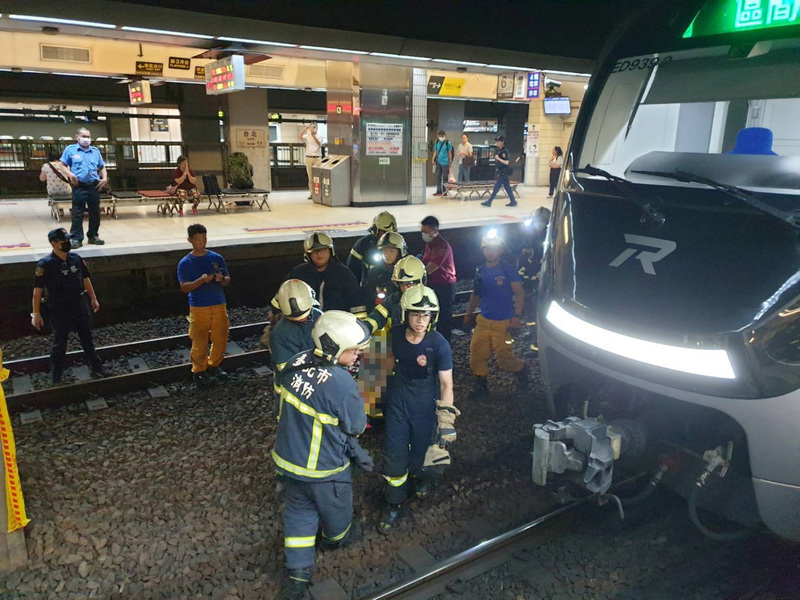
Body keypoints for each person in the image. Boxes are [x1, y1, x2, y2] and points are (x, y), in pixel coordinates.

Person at [272, 311, 371, 599]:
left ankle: (297, 574)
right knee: (338, 514)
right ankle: (334, 540)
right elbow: (355, 426)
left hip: (289, 463)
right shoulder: (342, 384)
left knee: (299, 514)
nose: (356, 356)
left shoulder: (296, 361)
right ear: (334, 349)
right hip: (325, 470)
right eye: (353, 350)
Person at [379, 285, 457, 534]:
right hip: (399, 403)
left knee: (422, 454)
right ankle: (394, 503)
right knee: (395, 456)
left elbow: (446, 384)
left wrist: (446, 422)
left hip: (425, 405)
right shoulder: (395, 336)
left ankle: (422, 478)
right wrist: (370, 400)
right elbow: (383, 367)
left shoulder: (439, 344)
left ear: (432, 317)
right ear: (405, 314)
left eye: (426, 315)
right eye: (415, 315)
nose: (421, 321)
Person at [31, 228, 106, 385]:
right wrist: (36, 313)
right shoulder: (45, 264)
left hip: (79, 304)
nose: (67, 243)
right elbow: (37, 292)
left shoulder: (76, 258)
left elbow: (85, 279)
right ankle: (56, 376)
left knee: (87, 338)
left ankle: (97, 368)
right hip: (59, 308)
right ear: (53, 244)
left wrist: (93, 298)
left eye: (67, 240)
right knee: (60, 342)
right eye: (63, 241)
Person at [464, 231, 529, 399]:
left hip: (503, 323)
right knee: (477, 352)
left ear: (500, 250)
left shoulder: (507, 270)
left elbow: (519, 293)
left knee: (504, 358)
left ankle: (521, 369)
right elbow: (476, 294)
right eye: (486, 248)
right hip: (484, 321)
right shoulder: (481, 270)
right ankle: (480, 384)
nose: (489, 252)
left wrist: (516, 315)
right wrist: (469, 313)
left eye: (493, 248)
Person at [177, 224, 231, 389]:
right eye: (198, 239)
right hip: (198, 306)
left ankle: (214, 365)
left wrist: (221, 279)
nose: (202, 242)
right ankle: (199, 369)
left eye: (204, 238)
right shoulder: (185, 263)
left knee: (220, 336)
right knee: (199, 339)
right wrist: (200, 281)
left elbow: (228, 280)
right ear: (190, 240)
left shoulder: (216, 258)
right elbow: (184, 287)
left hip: (218, 303)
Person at [268, 279, 323, 408]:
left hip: (318, 382)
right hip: (293, 389)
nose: (303, 319)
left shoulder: (318, 316)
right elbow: (288, 368)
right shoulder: (280, 333)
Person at [288, 232, 366, 316]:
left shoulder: (343, 274)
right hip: (306, 325)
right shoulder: (298, 274)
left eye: (323, 250)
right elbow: (283, 298)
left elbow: (357, 305)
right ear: (307, 255)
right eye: (314, 251)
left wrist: (360, 326)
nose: (319, 254)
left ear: (331, 251)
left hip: (337, 324)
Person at [60, 128, 108, 248]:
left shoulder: (95, 151)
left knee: (95, 212)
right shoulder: (70, 150)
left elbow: (102, 167)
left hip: (94, 186)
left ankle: (93, 236)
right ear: (77, 137)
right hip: (79, 186)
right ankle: (76, 238)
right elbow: (62, 166)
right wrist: (70, 174)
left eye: (88, 136)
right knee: (77, 213)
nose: (86, 139)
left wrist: (104, 178)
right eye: (83, 136)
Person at [364, 255, 427, 335]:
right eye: (402, 284)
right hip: (395, 341)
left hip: (419, 343)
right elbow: (377, 316)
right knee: (375, 344)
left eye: (409, 284)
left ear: (420, 282)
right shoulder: (394, 299)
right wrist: (363, 329)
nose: (405, 288)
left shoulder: (428, 302)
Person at [517, 207, 551, 352]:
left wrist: (542, 272)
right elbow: (520, 249)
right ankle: (532, 333)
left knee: (539, 308)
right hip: (527, 276)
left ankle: (538, 340)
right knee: (529, 308)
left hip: (541, 278)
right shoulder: (528, 233)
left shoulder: (551, 235)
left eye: (542, 220)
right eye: (537, 220)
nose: (539, 223)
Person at [420, 216, 457, 342]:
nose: (423, 234)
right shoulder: (429, 244)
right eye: (422, 231)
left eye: (426, 231)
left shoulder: (442, 246)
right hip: (434, 284)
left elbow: (431, 268)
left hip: (444, 286)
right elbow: (424, 262)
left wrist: (417, 276)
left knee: (444, 316)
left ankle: (445, 342)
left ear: (435, 231)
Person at [347, 211, 398, 286]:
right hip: (368, 289)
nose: (387, 236)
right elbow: (352, 270)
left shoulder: (400, 244)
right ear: (376, 230)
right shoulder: (363, 244)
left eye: (392, 233)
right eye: (384, 232)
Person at [363, 231, 407, 308]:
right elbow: (368, 297)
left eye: (391, 251)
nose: (387, 255)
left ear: (400, 252)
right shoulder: (374, 272)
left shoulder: (407, 272)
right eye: (384, 251)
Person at [480, 136, 517, 208]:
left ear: (502, 142)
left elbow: (507, 162)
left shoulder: (505, 151)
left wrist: (498, 158)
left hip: (504, 172)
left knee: (496, 187)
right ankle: (513, 201)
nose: (497, 142)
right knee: (507, 187)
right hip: (501, 172)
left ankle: (489, 201)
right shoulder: (499, 150)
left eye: (498, 141)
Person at [300, 123, 322, 200]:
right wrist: (304, 130)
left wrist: (313, 135)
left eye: (314, 127)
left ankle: (319, 192)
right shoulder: (307, 136)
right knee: (310, 176)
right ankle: (312, 193)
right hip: (309, 157)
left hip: (317, 158)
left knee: (318, 176)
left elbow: (319, 143)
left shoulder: (320, 136)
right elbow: (300, 138)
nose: (313, 129)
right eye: (311, 127)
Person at [431, 130, 454, 197]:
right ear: (438, 136)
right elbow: (435, 151)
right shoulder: (437, 142)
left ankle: (445, 191)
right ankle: (438, 191)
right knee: (438, 176)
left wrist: (450, 161)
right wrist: (433, 159)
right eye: (440, 136)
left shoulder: (447, 143)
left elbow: (450, 152)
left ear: (445, 136)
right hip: (438, 162)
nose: (441, 137)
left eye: (443, 136)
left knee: (445, 177)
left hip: (445, 163)